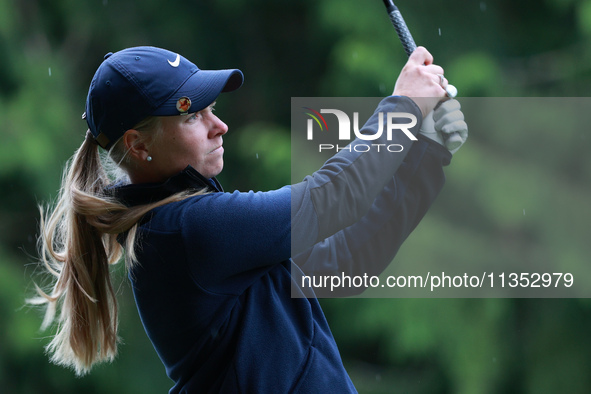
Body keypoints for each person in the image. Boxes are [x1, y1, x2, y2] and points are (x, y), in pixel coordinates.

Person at [31, 45, 467, 393]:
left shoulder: (187, 230)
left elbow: (346, 262)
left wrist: (427, 151)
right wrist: (404, 106)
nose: (218, 125)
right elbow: (335, 197)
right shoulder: (187, 230)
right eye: (192, 115)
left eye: (211, 108)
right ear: (139, 145)